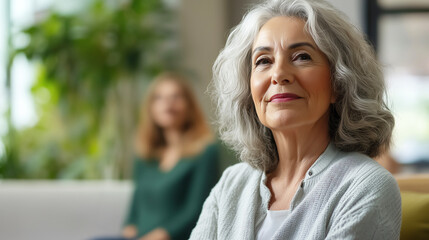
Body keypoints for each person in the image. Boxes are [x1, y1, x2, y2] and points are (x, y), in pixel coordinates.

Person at [190, 0, 401, 239]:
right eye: (263, 61)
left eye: (302, 57)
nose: (279, 74)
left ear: (339, 84)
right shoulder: (232, 183)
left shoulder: (366, 185)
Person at [96, 73, 219, 240]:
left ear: (190, 106)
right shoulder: (145, 154)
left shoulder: (205, 151)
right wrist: (129, 228)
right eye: (159, 98)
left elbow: (196, 210)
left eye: (176, 97)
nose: (168, 103)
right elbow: (136, 205)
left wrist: (160, 236)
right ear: (151, 108)